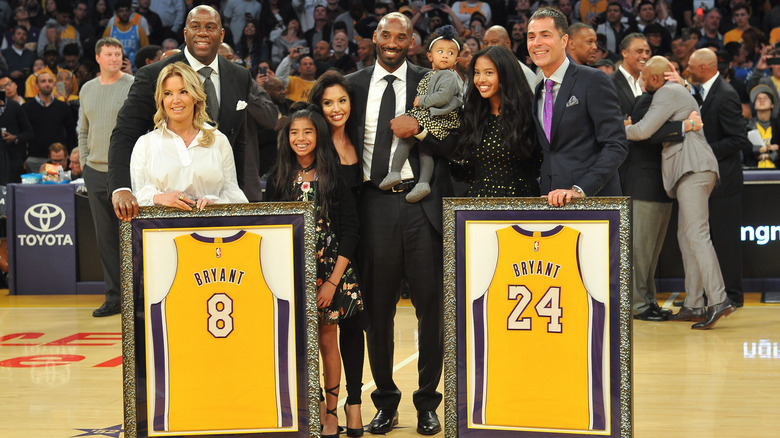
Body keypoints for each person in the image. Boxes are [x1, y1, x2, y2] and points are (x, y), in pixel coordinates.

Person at [345, 12, 457, 436]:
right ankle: (385, 402)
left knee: (431, 308)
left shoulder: (434, 80)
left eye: (402, 36)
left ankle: (428, 402)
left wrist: (422, 132)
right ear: (375, 37)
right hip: (373, 206)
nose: (393, 42)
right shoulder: (352, 85)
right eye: (386, 34)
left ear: (413, 41)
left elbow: (455, 140)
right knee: (378, 311)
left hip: (422, 204)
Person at [109, 5, 275, 222]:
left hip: (218, 204)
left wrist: (237, 196)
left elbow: (239, 142)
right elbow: (125, 134)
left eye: (210, 27)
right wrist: (121, 188)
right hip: (166, 211)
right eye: (195, 26)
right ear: (185, 33)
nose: (203, 33)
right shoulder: (153, 74)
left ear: (222, 34)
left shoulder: (240, 75)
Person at [267, 103, 362, 438]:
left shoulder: (334, 175)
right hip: (292, 269)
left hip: (331, 272)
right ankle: (316, 405)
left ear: (319, 136)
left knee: (327, 339)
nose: (301, 138)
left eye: (307, 132)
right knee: (300, 342)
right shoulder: (278, 178)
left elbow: (351, 230)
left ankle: (334, 411)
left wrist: (332, 283)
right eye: (294, 132)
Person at [625, 56, 736, 329]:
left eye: (643, 80)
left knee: (697, 235)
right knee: (687, 237)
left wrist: (621, 126)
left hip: (693, 168)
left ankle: (718, 299)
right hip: (693, 169)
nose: (641, 85)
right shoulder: (678, 91)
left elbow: (643, 130)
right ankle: (694, 303)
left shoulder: (666, 92)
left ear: (654, 78)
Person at [307, 72, 368, 437]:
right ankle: (323, 405)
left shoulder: (362, 137)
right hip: (330, 249)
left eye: (341, 101)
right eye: (328, 102)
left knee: (355, 328)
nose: (336, 108)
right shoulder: (314, 145)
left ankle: (355, 402)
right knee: (325, 332)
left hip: (362, 238)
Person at [527, 7, 627, 207]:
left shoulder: (593, 80)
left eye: (545, 35)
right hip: (550, 201)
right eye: (531, 37)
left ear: (564, 41)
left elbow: (616, 145)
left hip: (593, 202)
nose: (536, 43)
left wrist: (580, 190)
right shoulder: (539, 89)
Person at [130, 62, 247, 208]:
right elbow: (137, 195)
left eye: (183, 91)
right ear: (161, 99)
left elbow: (233, 193)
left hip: (211, 227)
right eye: (168, 94)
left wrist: (216, 204)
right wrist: (159, 198)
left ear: (195, 96)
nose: (176, 100)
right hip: (162, 228)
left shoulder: (218, 140)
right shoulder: (145, 144)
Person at [688, 48, 749, 308]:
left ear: (704, 67)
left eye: (690, 66)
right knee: (710, 240)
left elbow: (738, 139)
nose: (687, 70)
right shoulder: (702, 92)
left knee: (726, 242)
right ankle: (712, 295)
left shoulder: (725, 95)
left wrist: (702, 152)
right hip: (709, 182)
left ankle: (732, 296)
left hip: (725, 182)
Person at [79, 37, 134, 318]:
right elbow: (83, 129)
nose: (114, 58)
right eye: (109, 54)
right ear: (98, 57)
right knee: (106, 240)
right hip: (95, 172)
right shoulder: (87, 89)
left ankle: (137, 297)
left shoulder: (133, 85)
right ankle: (114, 298)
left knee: (130, 236)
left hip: (125, 173)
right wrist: (85, 162)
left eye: (118, 54)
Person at [379, 25, 462, 203]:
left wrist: (422, 101)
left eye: (451, 53)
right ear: (430, 56)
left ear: (457, 59)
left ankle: (397, 172)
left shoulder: (450, 76)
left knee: (409, 138)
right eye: (440, 51)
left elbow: (444, 96)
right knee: (425, 149)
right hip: (429, 115)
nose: (445, 55)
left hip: (439, 118)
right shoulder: (429, 75)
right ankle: (420, 182)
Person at [455, 45, 540, 197]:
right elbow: (465, 171)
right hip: (477, 207)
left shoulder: (529, 114)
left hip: (519, 205)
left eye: (489, 73)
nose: (481, 80)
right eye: (476, 73)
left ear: (506, 75)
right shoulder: (470, 114)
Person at [22, 70, 76, 173]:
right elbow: (24, 133)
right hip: (35, 158)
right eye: (43, 81)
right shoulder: (26, 108)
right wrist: (23, 157)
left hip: (59, 158)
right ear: (36, 85)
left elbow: (71, 132)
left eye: (50, 81)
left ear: (54, 85)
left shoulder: (63, 106)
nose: (47, 84)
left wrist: (70, 154)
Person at [746, 84, 780, 167]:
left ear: (772, 104)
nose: (761, 100)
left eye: (765, 98)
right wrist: (769, 148)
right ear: (754, 105)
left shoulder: (778, 125)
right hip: (753, 172)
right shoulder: (747, 126)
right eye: (758, 99)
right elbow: (746, 149)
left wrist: (765, 155)